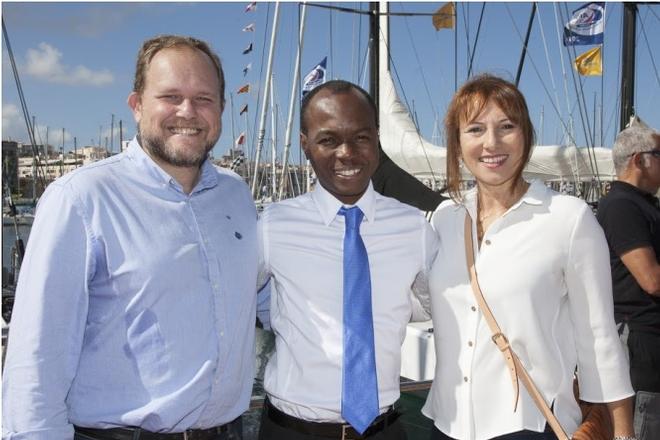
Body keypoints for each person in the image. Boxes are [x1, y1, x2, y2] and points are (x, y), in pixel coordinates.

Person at [2, 35, 257, 440]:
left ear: (222, 109)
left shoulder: (236, 196)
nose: (188, 111)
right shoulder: (81, 199)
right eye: (170, 96)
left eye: (204, 99)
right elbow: (37, 358)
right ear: (137, 106)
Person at [422, 74, 636, 440]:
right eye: (475, 129)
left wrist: (623, 433)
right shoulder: (444, 219)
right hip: (446, 422)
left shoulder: (568, 218)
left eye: (506, 126)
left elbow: (598, 337)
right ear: (457, 143)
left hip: (528, 425)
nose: (491, 142)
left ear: (526, 136)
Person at [256, 80, 438, 440]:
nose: (346, 153)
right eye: (328, 140)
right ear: (305, 145)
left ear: (377, 138)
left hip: (385, 430)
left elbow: (444, 306)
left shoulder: (413, 226)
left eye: (360, 137)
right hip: (291, 431)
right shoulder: (273, 226)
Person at [596, 125, 660, 440]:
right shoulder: (622, 206)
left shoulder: (642, 205)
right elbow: (652, 280)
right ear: (639, 160)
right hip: (642, 350)